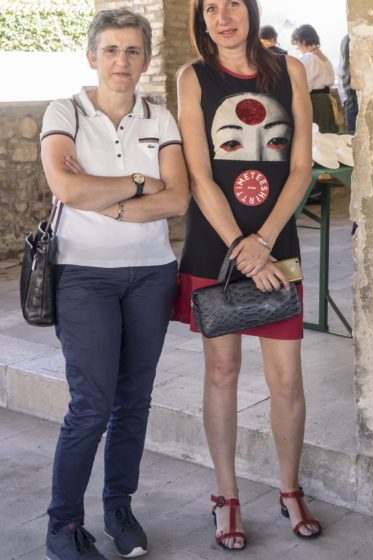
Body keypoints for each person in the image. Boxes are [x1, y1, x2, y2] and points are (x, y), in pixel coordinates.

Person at [40, 8, 189, 560]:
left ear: (146, 60)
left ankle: (119, 509)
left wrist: (112, 201)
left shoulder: (161, 118)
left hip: (151, 275)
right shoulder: (66, 111)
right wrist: (135, 181)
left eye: (132, 51)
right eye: (111, 50)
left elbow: (176, 198)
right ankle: (62, 527)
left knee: (134, 401)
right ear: (91, 56)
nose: (121, 61)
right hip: (83, 278)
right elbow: (66, 188)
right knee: (91, 404)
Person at [175, 0, 321, 551]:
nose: (222, 15)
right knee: (222, 371)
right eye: (210, 7)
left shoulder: (291, 71)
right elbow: (197, 172)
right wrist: (240, 245)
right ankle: (227, 495)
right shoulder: (193, 77)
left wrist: (263, 242)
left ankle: (288, 489)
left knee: (286, 377)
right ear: (202, 19)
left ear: (250, 10)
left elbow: (301, 165)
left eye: (232, 2)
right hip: (217, 241)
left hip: (276, 238)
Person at [291, 24, 336, 133]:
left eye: (297, 43)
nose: (297, 47)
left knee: (317, 136)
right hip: (326, 100)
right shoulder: (324, 58)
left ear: (303, 41)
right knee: (327, 133)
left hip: (315, 101)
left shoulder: (308, 59)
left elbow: (304, 86)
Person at [338, 34, 358, 132]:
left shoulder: (347, 39)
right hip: (352, 97)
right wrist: (345, 100)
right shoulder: (347, 39)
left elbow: (341, 70)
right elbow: (342, 71)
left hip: (353, 97)